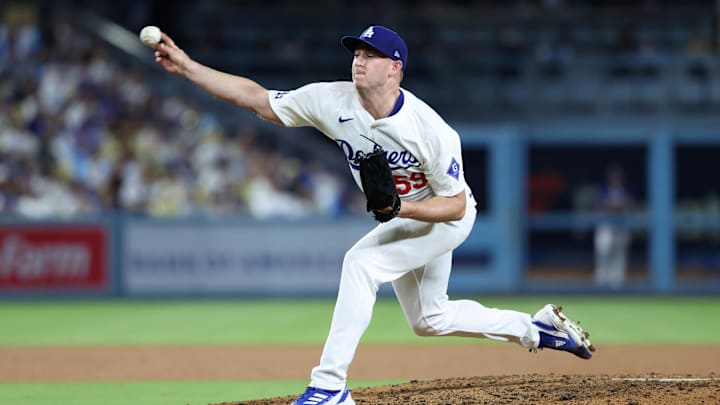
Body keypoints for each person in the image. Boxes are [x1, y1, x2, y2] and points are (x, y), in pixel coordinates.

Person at [152, 25, 595, 405]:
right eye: (357, 53)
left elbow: (457, 204)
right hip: (404, 217)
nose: (359, 61)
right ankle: (536, 329)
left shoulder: (430, 130)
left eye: (372, 55)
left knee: (360, 264)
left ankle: (329, 386)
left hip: (444, 219)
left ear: (395, 68)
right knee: (430, 319)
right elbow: (258, 99)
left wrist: (403, 208)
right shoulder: (331, 101)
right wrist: (189, 66)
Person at [594, 164, 634, 288]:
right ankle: (601, 282)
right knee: (603, 253)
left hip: (621, 226)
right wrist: (617, 207)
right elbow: (601, 207)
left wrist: (613, 206)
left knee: (620, 254)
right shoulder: (604, 190)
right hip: (606, 226)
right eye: (613, 177)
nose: (616, 179)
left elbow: (629, 206)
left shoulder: (626, 190)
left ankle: (617, 283)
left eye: (618, 177)